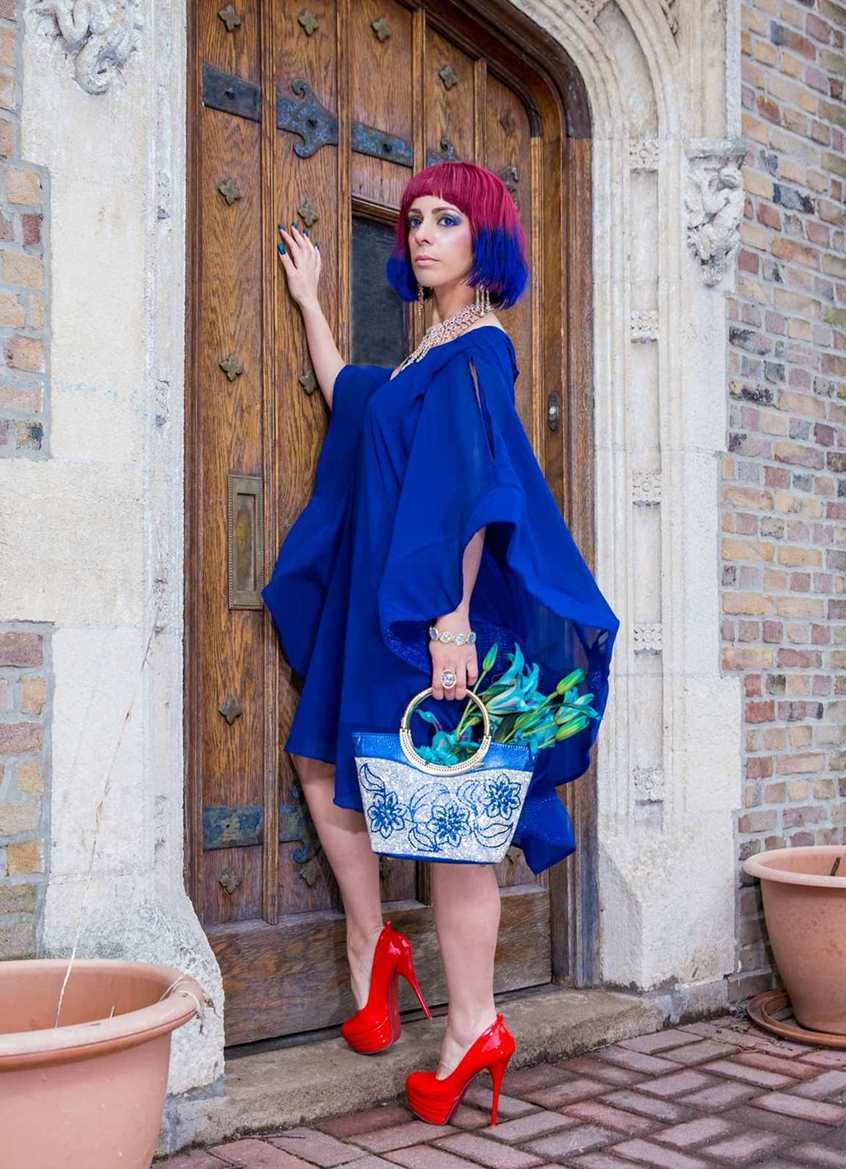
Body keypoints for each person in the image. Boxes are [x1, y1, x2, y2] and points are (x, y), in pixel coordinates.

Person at [261, 161, 619, 1126]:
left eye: (446, 219)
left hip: (430, 625)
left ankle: (472, 1024)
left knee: (455, 833)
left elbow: (472, 494)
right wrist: (310, 301)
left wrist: (451, 626)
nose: (421, 233)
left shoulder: (479, 349)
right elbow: (352, 396)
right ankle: (373, 943)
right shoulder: (433, 349)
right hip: (389, 615)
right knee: (321, 758)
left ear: (483, 238)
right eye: (414, 218)